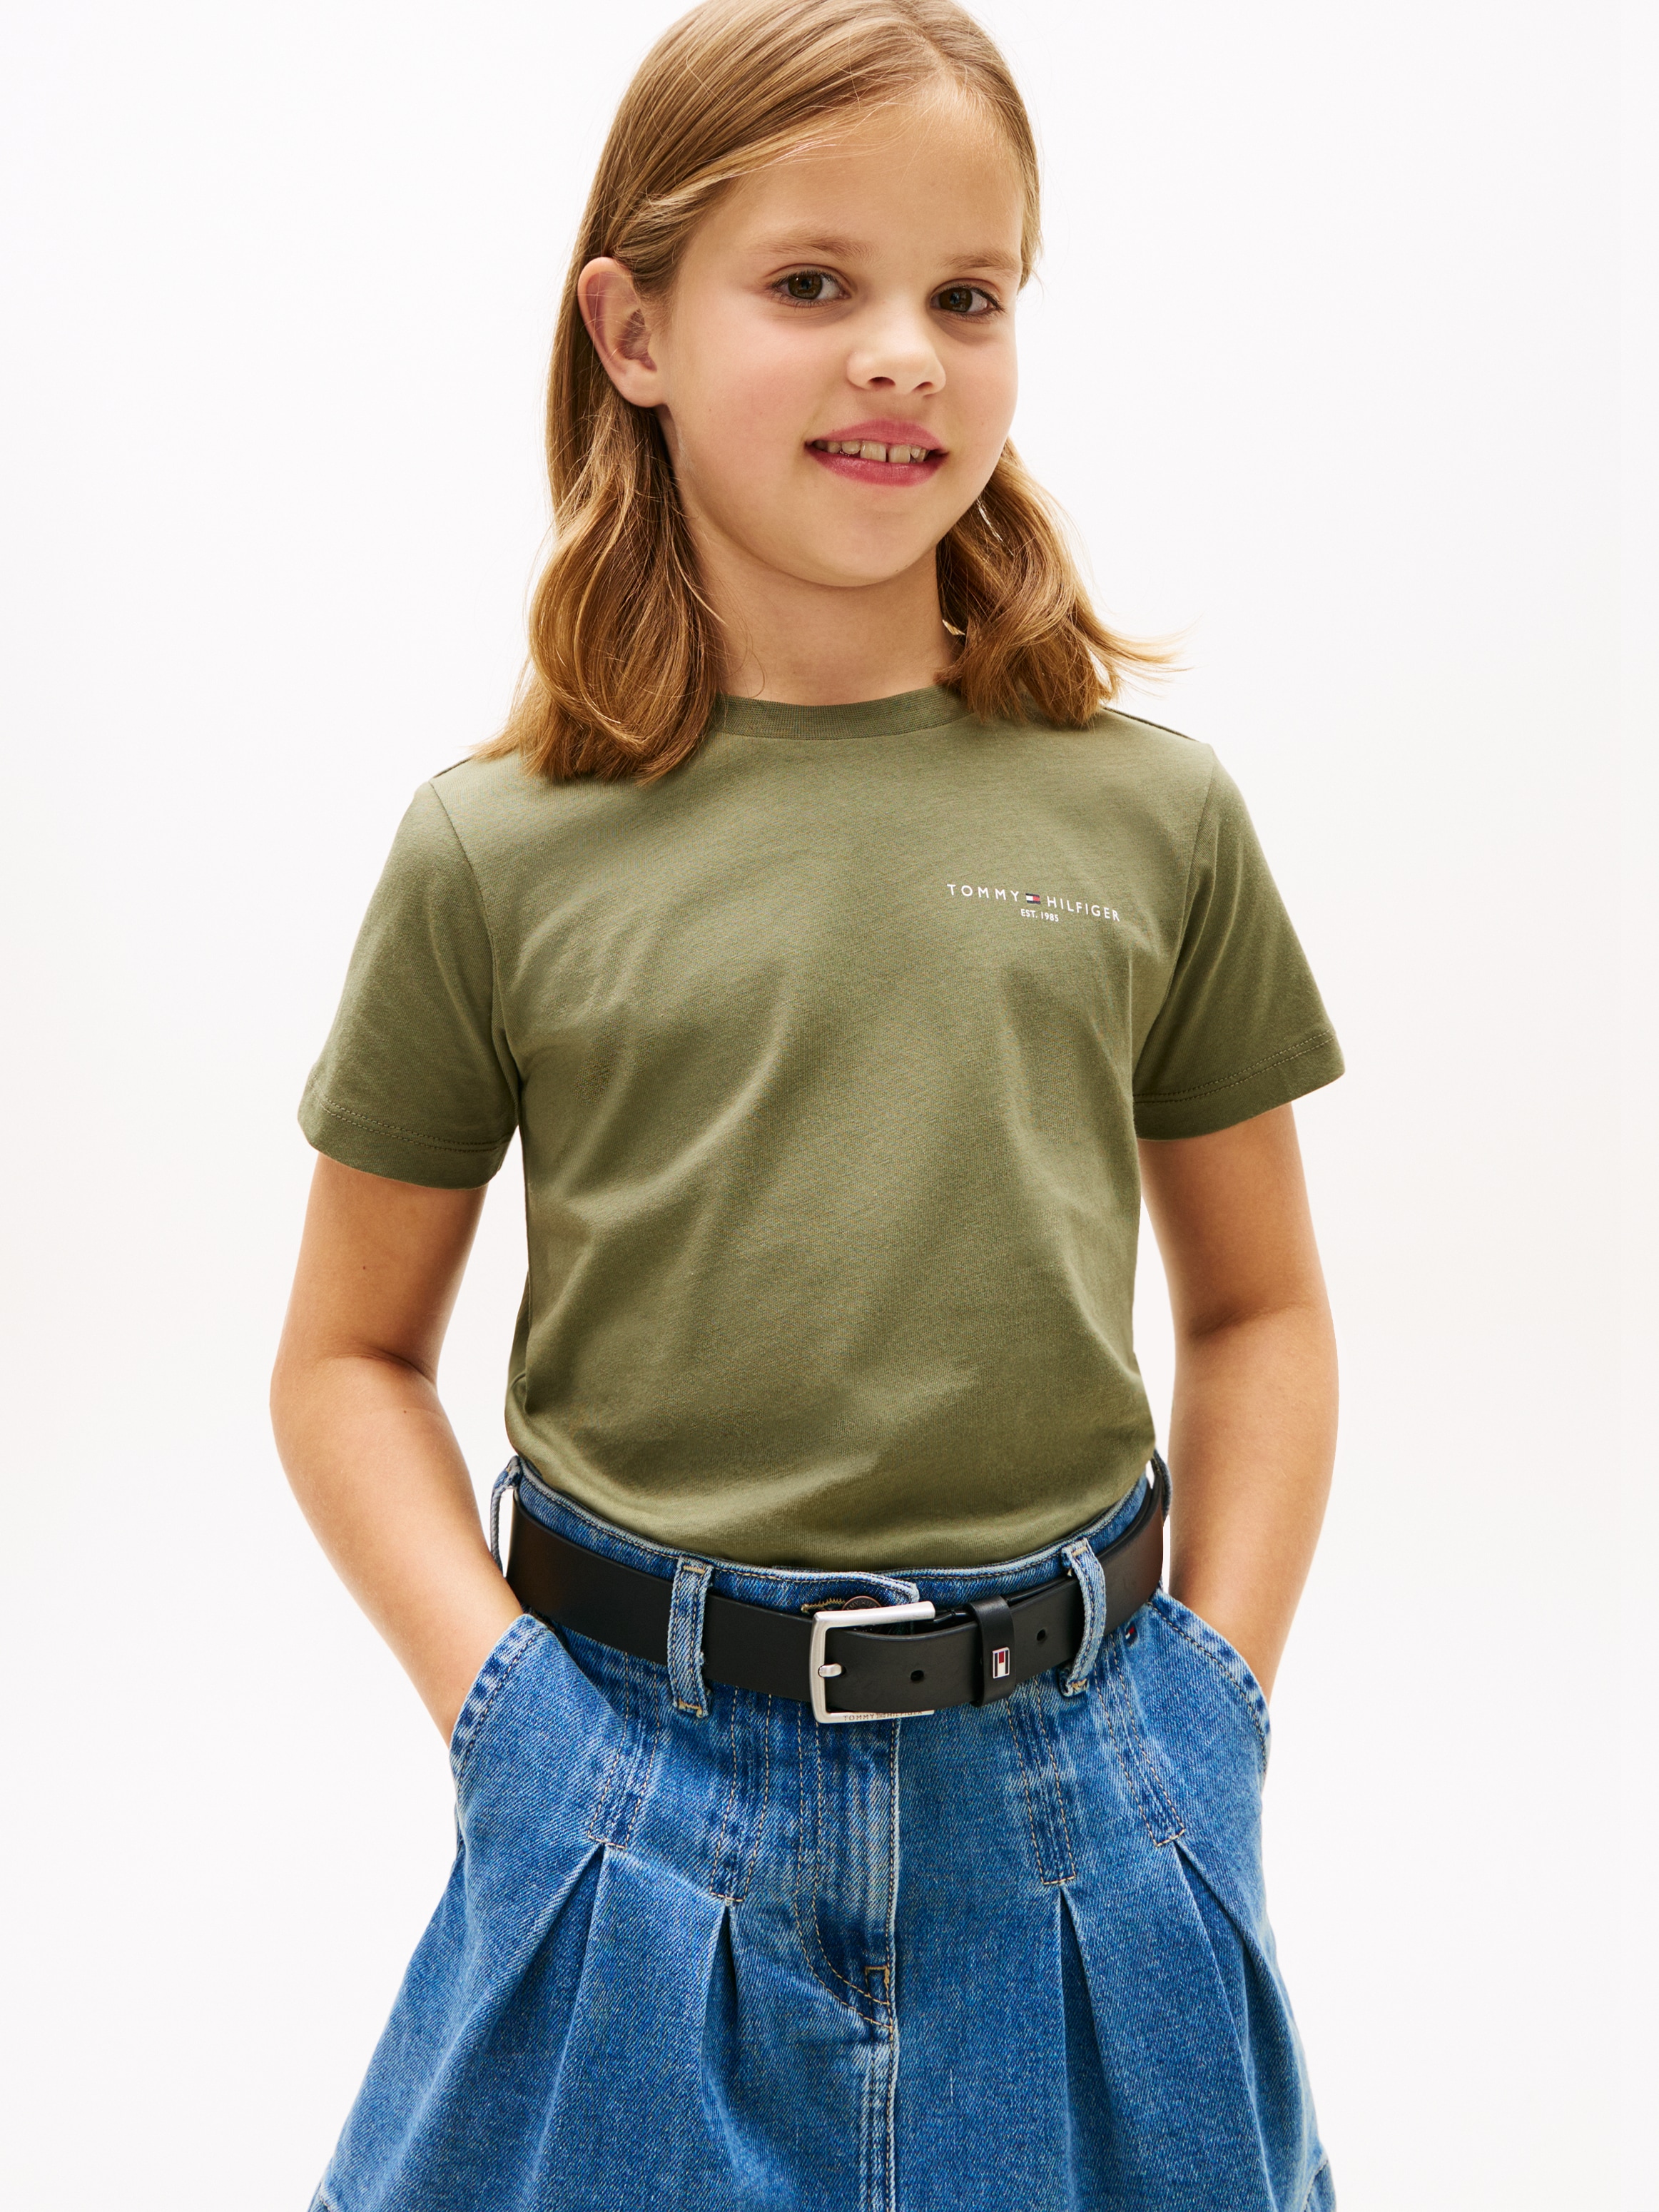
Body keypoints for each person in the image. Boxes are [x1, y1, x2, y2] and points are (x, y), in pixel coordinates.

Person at [271, 2, 1344, 2206]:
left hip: (1083, 1811)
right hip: (624, 1803)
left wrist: (1213, 1707)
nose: (902, 356)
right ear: (633, 331)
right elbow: (346, 1357)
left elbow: (1261, 1311)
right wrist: (515, 1730)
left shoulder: (1154, 818)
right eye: (813, 283)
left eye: (968, 296)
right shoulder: (496, 850)